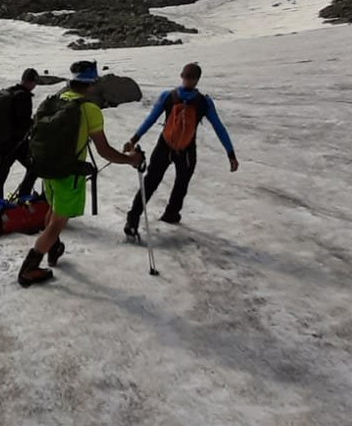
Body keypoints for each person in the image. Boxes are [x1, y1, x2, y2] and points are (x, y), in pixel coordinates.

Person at [19, 61, 142, 287]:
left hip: (48, 169)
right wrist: (131, 160)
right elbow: (104, 150)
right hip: (70, 173)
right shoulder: (89, 110)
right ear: (92, 83)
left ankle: (53, 247)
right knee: (58, 221)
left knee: (54, 211)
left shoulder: (56, 100)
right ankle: (29, 268)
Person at [123, 62, 238, 237]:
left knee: (151, 181)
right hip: (187, 149)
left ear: (182, 76)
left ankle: (133, 218)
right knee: (181, 183)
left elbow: (151, 119)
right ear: (197, 80)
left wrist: (134, 139)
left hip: (164, 145)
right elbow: (219, 127)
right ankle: (171, 214)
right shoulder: (203, 102)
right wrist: (230, 153)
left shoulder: (168, 96)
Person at [0, 68, 40, 200]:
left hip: (3, 139)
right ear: (31, 82)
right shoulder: (23, 96)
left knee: (1, 173)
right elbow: (23, 121)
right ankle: (24, 196)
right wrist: (34, 123)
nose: (35, 86)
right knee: (34, 168)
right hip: (17, 141)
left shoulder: (9, 92)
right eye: (34, 82)